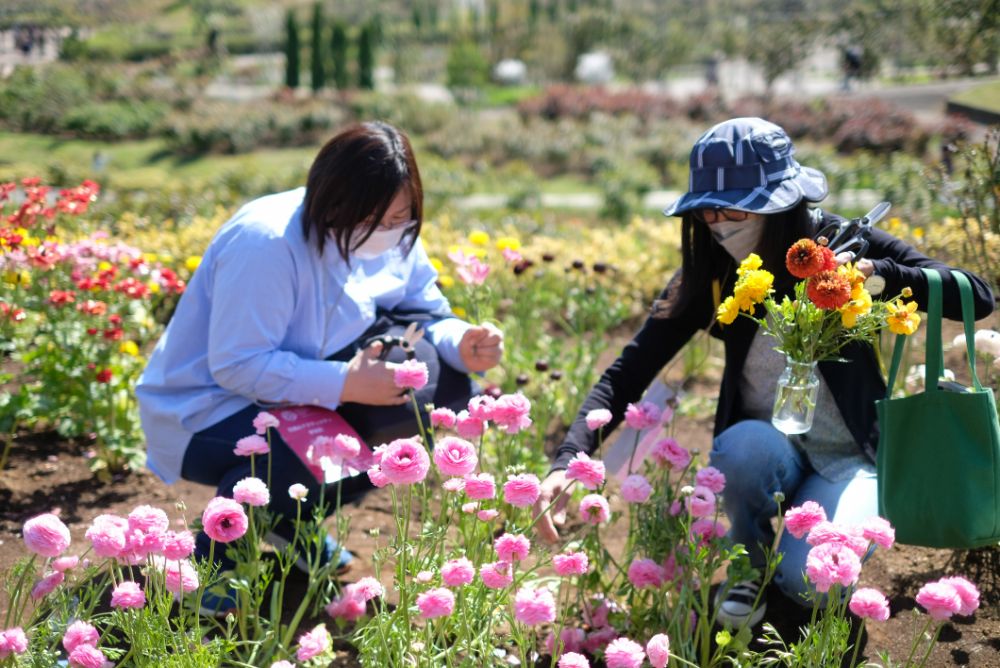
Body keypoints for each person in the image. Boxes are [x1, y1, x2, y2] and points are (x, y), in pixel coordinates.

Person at [533, 117, 994, 627]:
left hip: (849, 458)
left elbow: (977, 296)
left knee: (810, 583)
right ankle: (748, 559)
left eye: (733, 207)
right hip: (765, 450)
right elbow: (628, 371)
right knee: (740, 447)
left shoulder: (842, 246)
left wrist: (883, 277)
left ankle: (799, 552)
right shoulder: (713, 271)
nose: (718, 222)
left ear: (780, 201)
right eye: (705, 211)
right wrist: (569, 460)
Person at [137, 121, 503, 609]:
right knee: (302, 440)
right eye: (376, 222)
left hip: (308, 386)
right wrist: (347, 383)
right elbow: (237, 365)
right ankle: (213, 568)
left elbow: (423, 306)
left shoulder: (392, 229)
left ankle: (286, 521)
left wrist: (462, 342)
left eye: (400, 219)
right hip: (207, 410)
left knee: (440, 388)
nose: (391, 234)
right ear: (332, 202)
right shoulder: (266, 243)